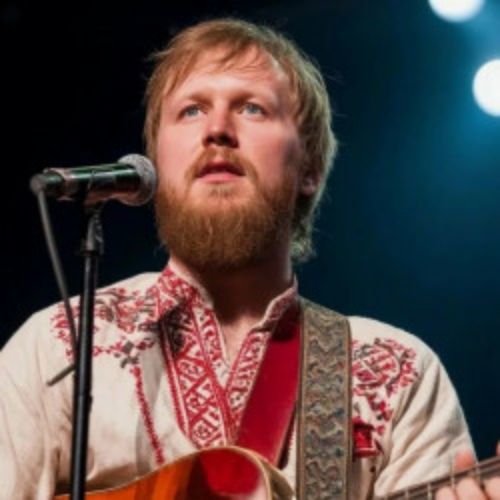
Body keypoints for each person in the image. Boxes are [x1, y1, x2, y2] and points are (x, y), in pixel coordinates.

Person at [1, 18, 499, 500]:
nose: (217, 129)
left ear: (310, 168)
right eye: (191, 110)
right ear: (157, 162)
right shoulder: (59, 346)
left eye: (253, 108)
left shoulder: (401, 370)